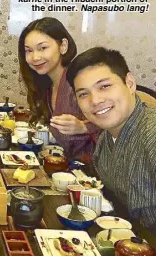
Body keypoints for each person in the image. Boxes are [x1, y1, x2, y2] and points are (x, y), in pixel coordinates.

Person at [66, 47, 156, 232]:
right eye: (83, 94)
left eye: (104, 86)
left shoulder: (152, 133)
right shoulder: (106, 139)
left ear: (129, 83)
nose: (95, 100)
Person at [18, 17, 101, 163]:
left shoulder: (78, 82)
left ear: (63, 46)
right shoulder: (47, 84)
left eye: (43, 48)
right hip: (66, 167)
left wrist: (83, 127)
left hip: (95, 172)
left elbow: (117, 122)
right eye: (29, 51)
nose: (35, 57)